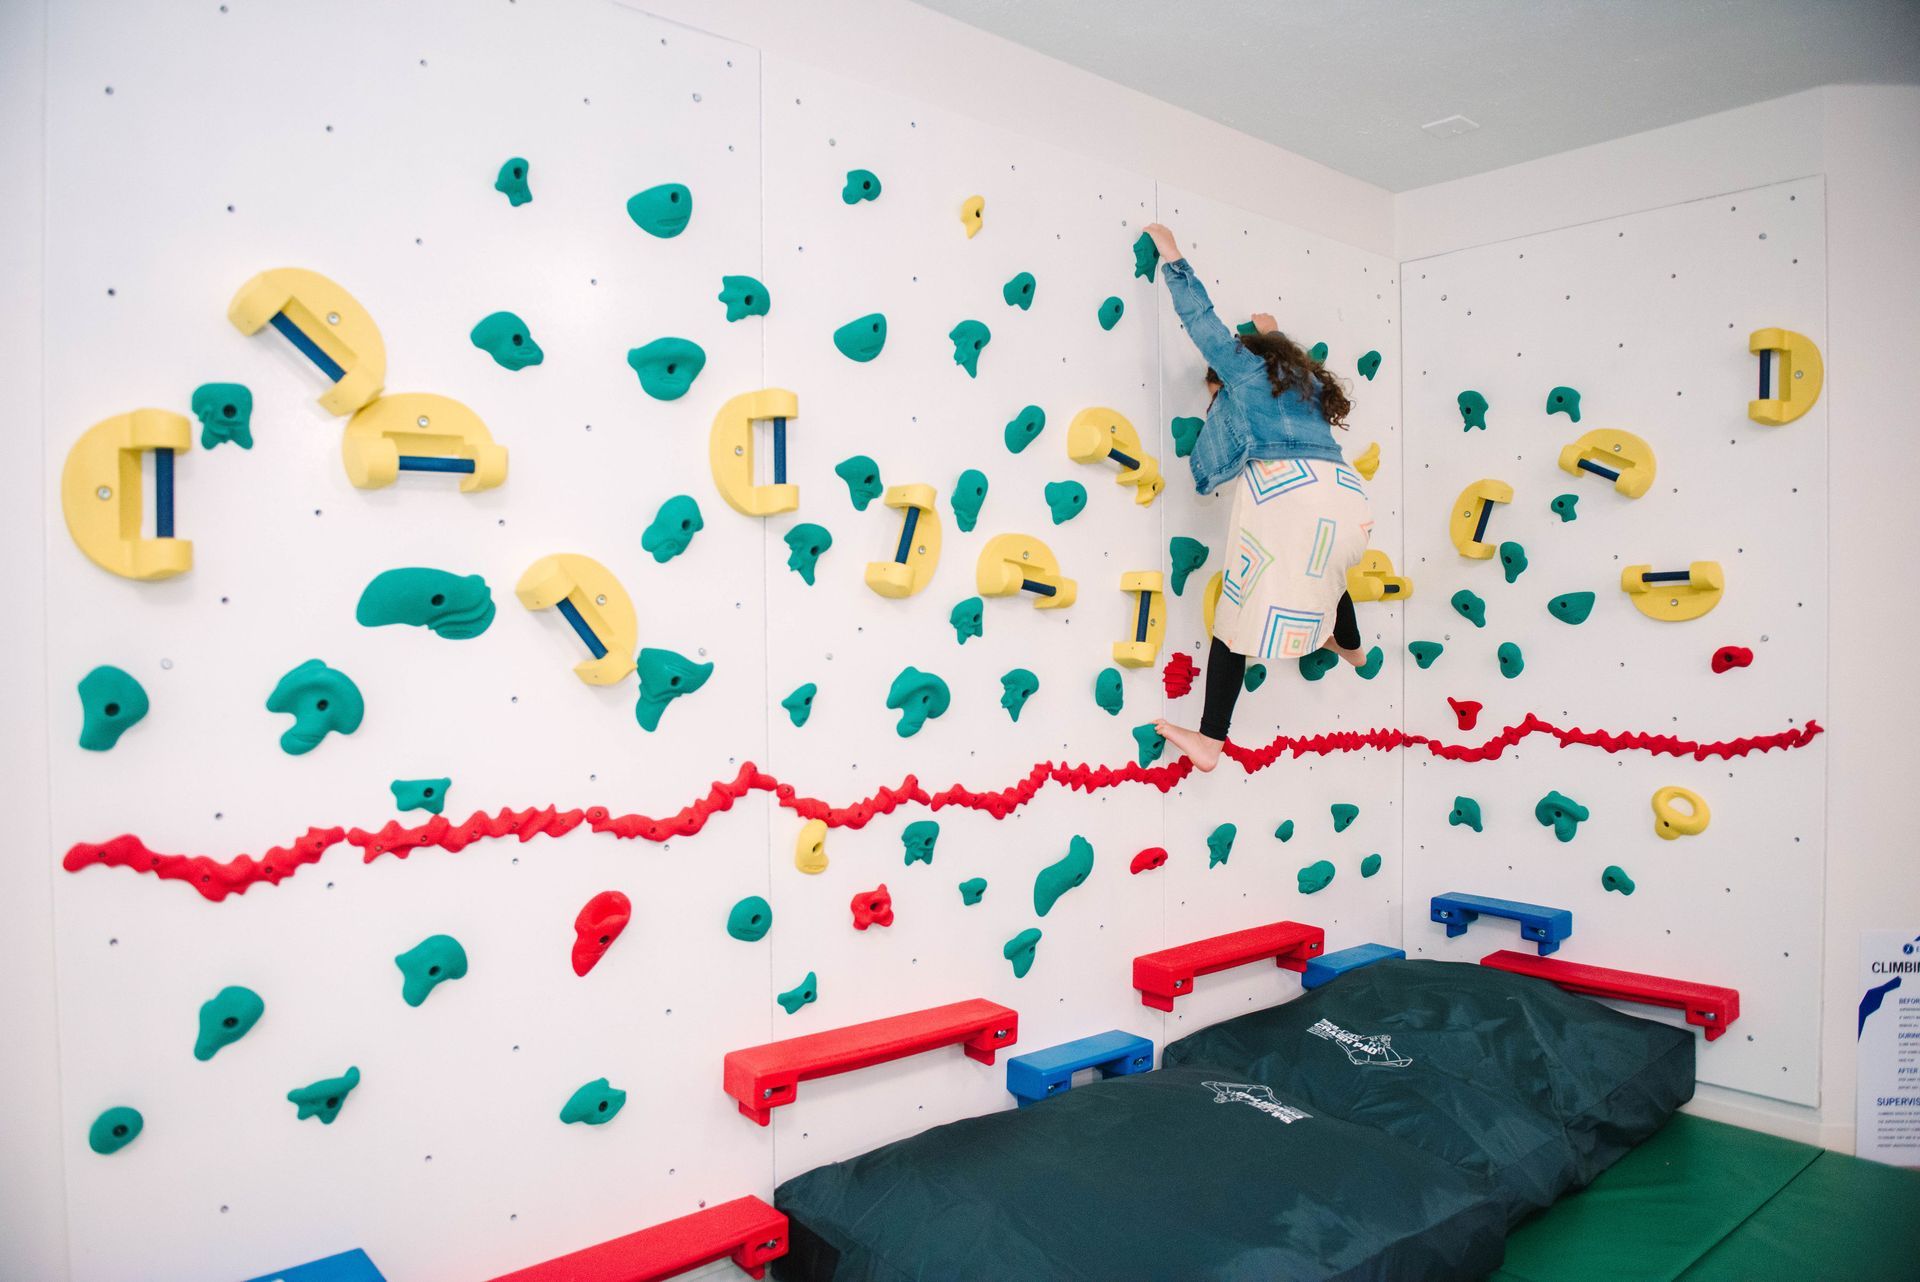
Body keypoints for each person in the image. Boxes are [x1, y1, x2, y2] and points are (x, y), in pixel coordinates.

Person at [1143, 223, 1378, 772]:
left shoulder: (1244, 375)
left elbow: (1203, 323)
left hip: (1293, 495)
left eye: (1216, 398)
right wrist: (1272, 331)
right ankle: (1351, 646)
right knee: (1324, 568)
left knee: (1235, 619)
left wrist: (1173, 258)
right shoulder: (1306, 384)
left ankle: (1210, 741)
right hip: (1348, 500)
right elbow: (1284, 358)